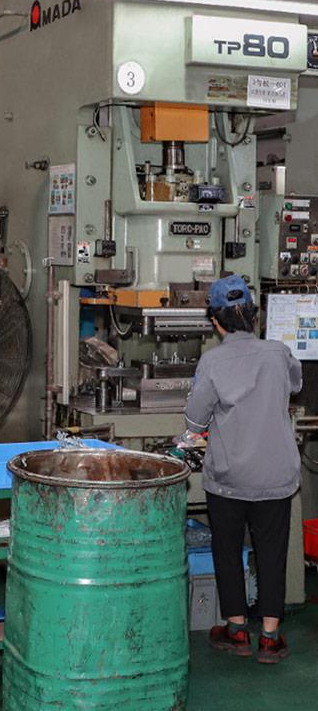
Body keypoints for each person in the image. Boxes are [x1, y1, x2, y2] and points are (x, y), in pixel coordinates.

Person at [180, 274, 302, 664]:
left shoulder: (213, 361)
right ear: (253, 315)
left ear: (215, 321)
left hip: (228, 478)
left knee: (228, 550)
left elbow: (196, 420)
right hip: (275, 475)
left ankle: (236, 631)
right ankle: (269, 637)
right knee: (272, 553)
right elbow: (295, 384)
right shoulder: (279, 353)